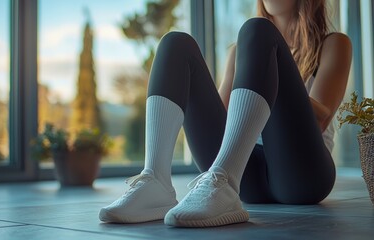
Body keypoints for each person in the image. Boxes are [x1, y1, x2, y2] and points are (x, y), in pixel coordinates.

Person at [99, 0, 352, 227]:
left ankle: (226, 180)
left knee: (257, 29)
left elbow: (321, 118)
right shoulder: (241, 50)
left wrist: (273, 80)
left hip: (302, 175)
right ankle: (156, 181)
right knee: (175, 43)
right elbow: (221, 119)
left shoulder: (334, 43)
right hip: (245, 175)